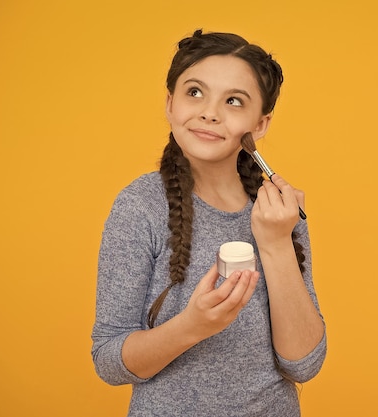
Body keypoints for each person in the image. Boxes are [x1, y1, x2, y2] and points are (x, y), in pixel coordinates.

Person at [91, 29, 327, 416]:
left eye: (234, 101)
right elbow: (109, 362)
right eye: (195, 92)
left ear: (261, 124)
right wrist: (192, 326)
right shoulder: (140, 207)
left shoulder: (279, 213)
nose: (210, 112)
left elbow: (303, 363)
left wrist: (275, 242)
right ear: (170, 103)